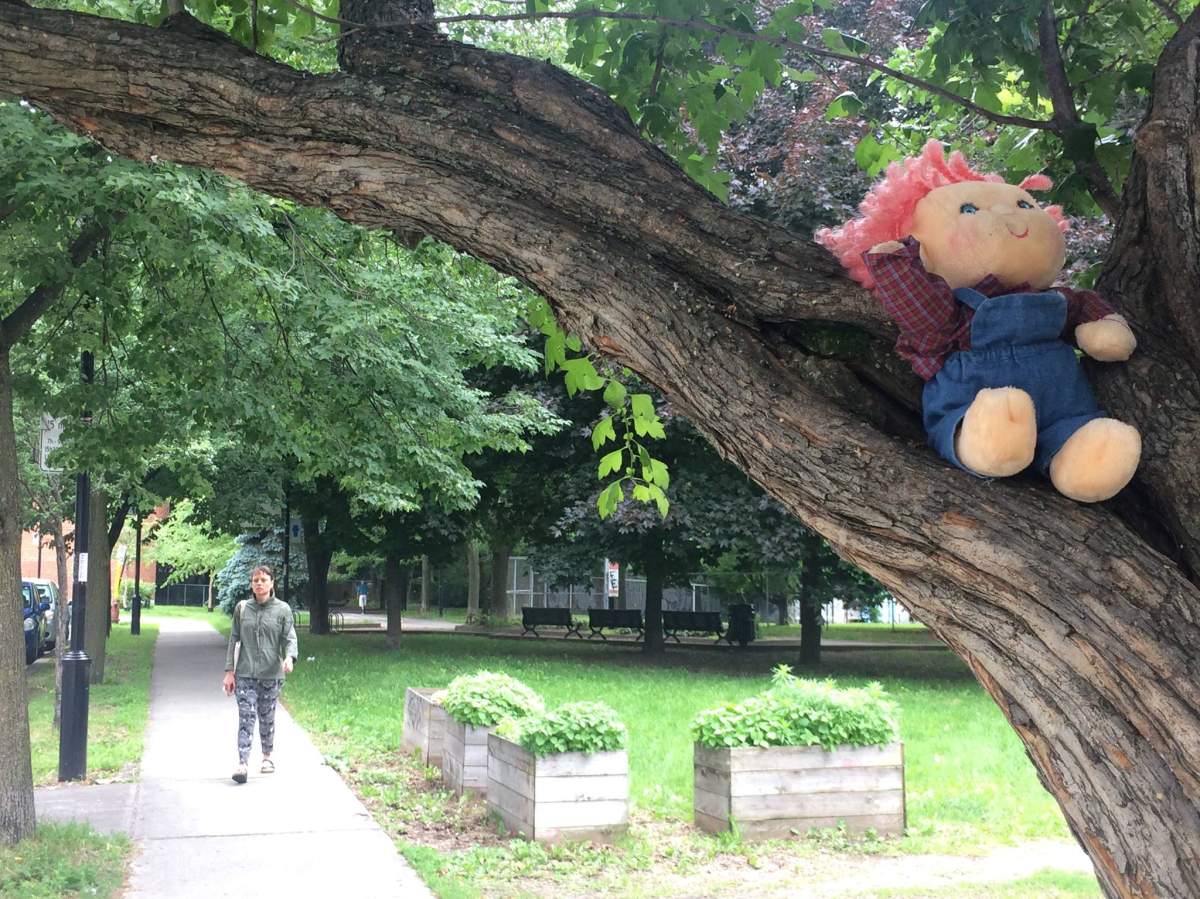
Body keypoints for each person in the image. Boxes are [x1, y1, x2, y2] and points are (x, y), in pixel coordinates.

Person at [222, 565, 298, 784]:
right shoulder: (242, 608)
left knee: (266, 716)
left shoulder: (282, 609)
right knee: (246, 716)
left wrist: (289, 657)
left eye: (264, 579)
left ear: (272, 583)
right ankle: (242, 764)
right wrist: (229, 672)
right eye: (255, 580)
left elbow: (290, 637)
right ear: (251, 584)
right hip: (245, 673)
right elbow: (234, 639)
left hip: (271, 675)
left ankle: (267, 757)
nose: (259, 583)